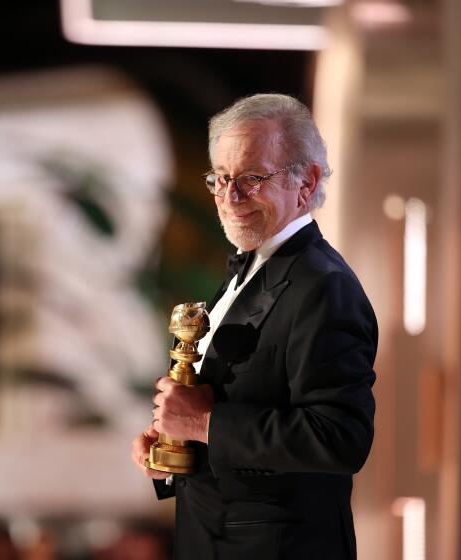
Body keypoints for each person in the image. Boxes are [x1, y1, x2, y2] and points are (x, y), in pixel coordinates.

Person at [131, 93, 377, 559]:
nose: (229, 197)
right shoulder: (248, 268)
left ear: (307, 182)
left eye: (251, 178)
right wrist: (175, 445)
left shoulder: (324, 286)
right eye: (220, 179)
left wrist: (205, 423)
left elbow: (341, 438)